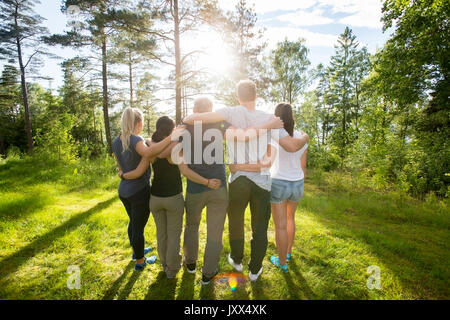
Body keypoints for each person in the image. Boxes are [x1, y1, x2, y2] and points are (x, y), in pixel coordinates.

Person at [184, 80, 309, 281]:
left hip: (238, 179)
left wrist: (188, 120)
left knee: (236, 221)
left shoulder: (229, 112)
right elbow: (291, 147)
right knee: (260, 226)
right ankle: (255, 269)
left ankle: (237, 259)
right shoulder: (270, 119)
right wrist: (305, 138)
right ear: (256, 96)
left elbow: (192, 118)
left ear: (238, 97)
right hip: (262, 182)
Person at [112, 108, 182, 271]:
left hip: (124, 190)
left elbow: (120, 165)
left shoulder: (117, 140)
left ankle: (137, 252)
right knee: (138, 228)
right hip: (138, 191)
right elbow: (147, 157)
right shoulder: (137, 140)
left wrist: (123, 175)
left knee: (133, 224)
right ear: (138, 122)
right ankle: (140, 261)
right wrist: (172, 137)